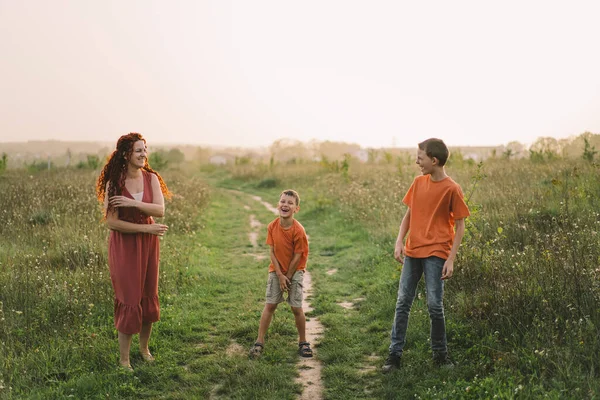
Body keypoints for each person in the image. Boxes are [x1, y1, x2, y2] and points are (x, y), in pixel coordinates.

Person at [382, 138, 470, 373]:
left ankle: (441, 355)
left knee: (434, 305)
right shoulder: (418, 183)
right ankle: (394, 355)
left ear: (434, 160)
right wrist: (399, 240)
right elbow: (409, 214)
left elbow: (460, 225)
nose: (417, 162)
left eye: (420, 158)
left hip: (436, 253)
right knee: (403, 302)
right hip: (413, 251)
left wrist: (451, 258)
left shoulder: (452, 188)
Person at [96, 132, 171, 371]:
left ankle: (144, 349)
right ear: (126, 154)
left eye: (145, 150)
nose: (143, 154)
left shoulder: (151, 179)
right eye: (139, 150)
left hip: (149, 245)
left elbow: (159, 210)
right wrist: (144, 228)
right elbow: (112, 223)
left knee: (148, 296)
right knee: (129, 299)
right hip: (125, 247)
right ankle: (124, 360)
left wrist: (133, 204)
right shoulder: (114, 183)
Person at [249, 189, 312, 358]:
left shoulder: (298, 231)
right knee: (270, 305)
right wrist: (279, 274)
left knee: (296, 307)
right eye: (283, 201)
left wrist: (288, 276)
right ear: (278, 205)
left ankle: (303, 341)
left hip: (295, 270)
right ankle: (259, 341)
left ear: (296, 209)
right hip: (277, 271)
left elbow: (298, 255)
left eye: (290, 203)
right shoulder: (272, 226)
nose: (286, 205)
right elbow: (272, 252)